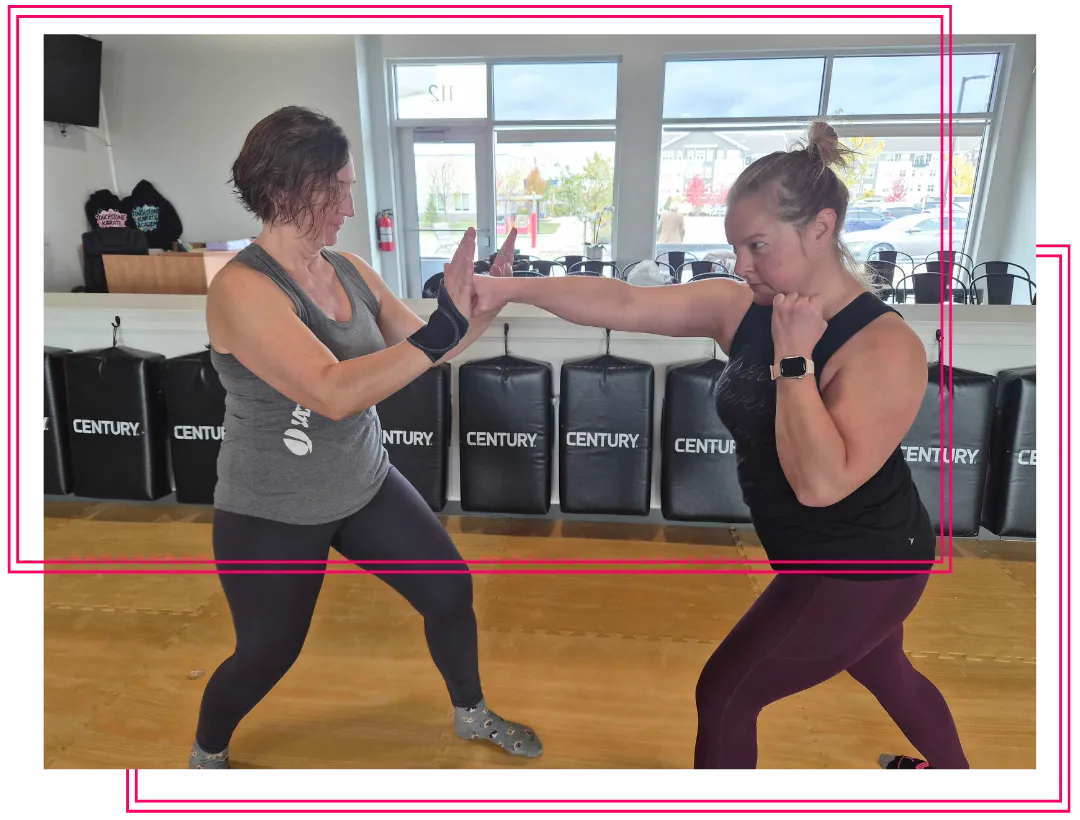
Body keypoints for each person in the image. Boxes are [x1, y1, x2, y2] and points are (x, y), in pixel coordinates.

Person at [471, 121, 969, 777]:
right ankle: (955, 785)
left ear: (821, 228)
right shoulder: (744, 308)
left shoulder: (882, 344)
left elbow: (822, 483)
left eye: (758, 245)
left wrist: (794, 362)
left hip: (860, 567)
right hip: (817, 558)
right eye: (736, 246)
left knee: (726, 694)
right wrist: (515, 288)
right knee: (886, 670)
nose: (742, 265)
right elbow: (622, 301)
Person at [190, 105, 542, 775]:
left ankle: (471, 714)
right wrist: (440, 330)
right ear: (293, 186)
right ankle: (207, 753)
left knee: (448, 591)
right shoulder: (241, 288)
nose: (351, 205)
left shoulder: (347, 268)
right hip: (271, 507)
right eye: (341, 188)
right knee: (266, 654)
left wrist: (478, 306)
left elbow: (429, 346)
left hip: (362, 482)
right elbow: (331, 390)